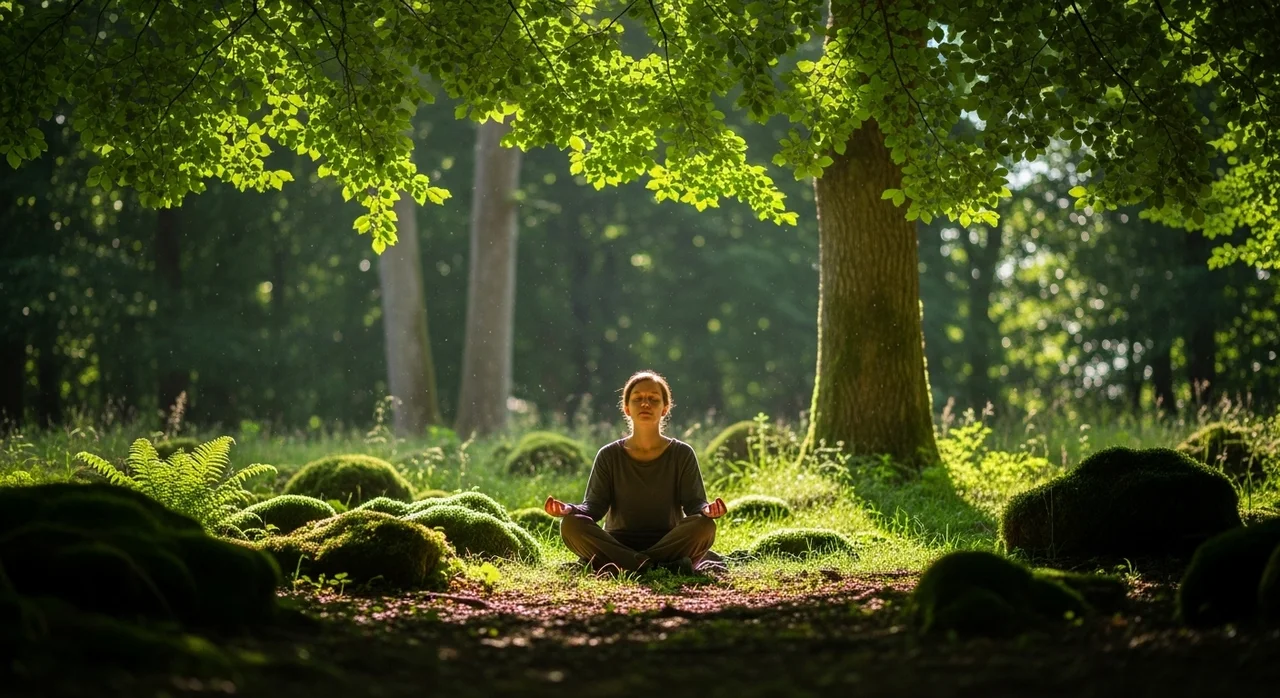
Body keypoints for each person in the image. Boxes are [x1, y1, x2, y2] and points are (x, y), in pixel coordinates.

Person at [544, 370, 728, 577]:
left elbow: (695, 504)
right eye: (638, 398)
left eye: (653, 399)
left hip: (668, 542)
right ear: (626, 408)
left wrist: (707, 510)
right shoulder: (608, 455)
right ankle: (661, 566)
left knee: (705, 526)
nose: (645, 404)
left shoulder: (682, 453)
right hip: (616, 543)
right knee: (570, 525)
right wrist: (570, 509)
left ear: (665, 408)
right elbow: (594, 507)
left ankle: (628, 565)